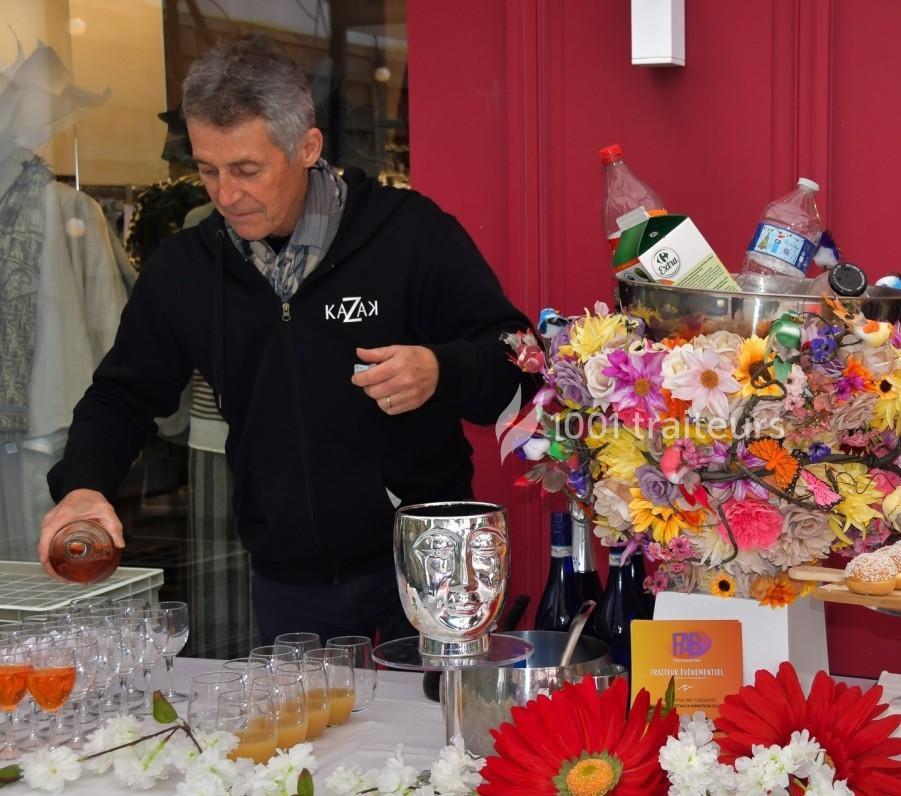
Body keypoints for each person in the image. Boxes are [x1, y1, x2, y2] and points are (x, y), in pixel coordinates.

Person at [38, 35, 532, 647]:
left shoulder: (408, 234)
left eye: (246, 170)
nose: (224, 195)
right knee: (308, 745)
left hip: (428, 563)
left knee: (442, 742)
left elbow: (519, 356)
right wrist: (83, 485)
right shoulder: (187, 269)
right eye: (207, 170)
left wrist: (440, 369)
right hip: (289, 582)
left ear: (307, 146)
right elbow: (122, 397)